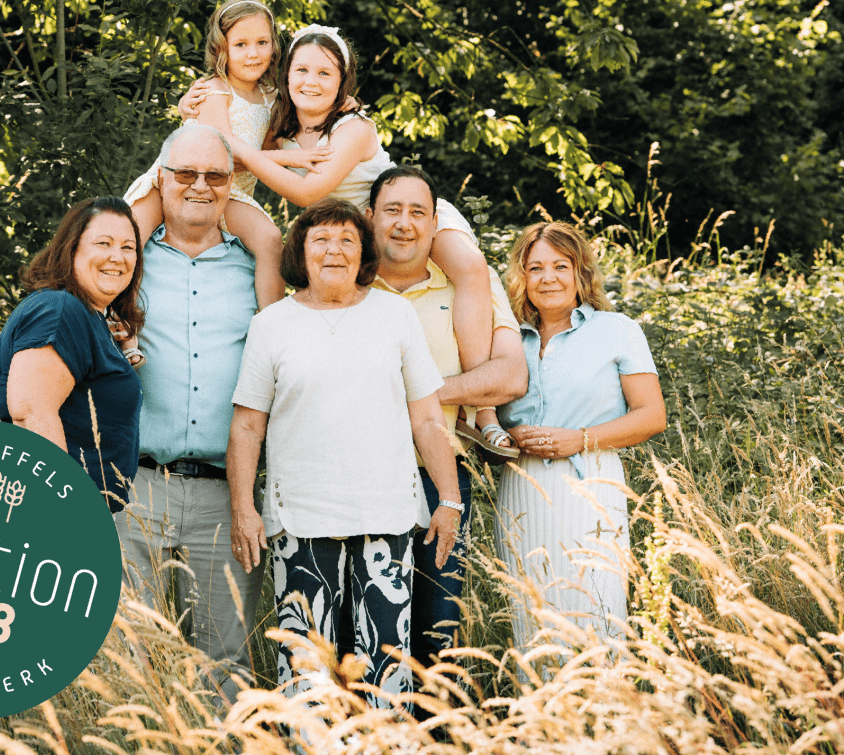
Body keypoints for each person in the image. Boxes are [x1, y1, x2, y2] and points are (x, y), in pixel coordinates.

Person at [185, 23, 512, 452]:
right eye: (302, 70)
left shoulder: (353, 127)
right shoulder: (280, 130)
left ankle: (480, 414)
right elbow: (238, 156)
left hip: (400, 215)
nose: (311, 82)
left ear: (342, 84)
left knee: (469, 266)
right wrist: (195, 110)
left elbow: (305, 190)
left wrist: (240, 150)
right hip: (355, 236)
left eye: (325, 73)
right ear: (286, 75)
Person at [226, 198, 463, 707]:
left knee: (386, 669)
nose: (334, 250)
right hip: (300, 522)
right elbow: (247, 426)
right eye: (321, 239)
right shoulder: (272, 324)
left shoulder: (395, 315)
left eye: (347, 240)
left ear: (364, 252)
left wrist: (449, 497)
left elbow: (426, 417)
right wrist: (243, 509)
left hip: (387, 517)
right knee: (308, 671)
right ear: (301, 252)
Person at [114, 123, 264, 708]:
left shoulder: (257, 265)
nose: (199, 186)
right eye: (184, 173)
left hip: (226, 494)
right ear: (161, 178)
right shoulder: (125, 259)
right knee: (131, 652)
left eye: (215, 175)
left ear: (232, 186)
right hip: (135, 486)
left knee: (225, 661)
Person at [365, 166, 529, 669]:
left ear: (436, 225)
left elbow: (509, 377)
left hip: (443, 482)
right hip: (363, 475)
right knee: (371, 638)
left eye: (417, 212)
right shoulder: (347, 288)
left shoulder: (465, 292)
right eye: (392, 210)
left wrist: (421, 397)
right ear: (369, 217)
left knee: (438, 638)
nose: (404, 223)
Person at [494, 221, 667, 663]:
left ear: (580, 272)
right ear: (522, 278)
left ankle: (606, 720)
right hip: (521, 488)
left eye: (559, 266)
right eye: (535, 268)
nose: (548, 278)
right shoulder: (506, 337)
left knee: (597, 607)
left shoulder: (616, 329)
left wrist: (581, 439)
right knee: (530, 616)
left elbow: (651, 415)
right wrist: (504, 436)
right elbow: (482, 418)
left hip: (591, 480)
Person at [124, 0, 331, 311]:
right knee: (130, 233)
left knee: (270, 239)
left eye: (262, 42)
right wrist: (289, 159)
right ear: (222, 49)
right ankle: (120, 317)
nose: (253, 54)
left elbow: (253, 162)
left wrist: (340, 105)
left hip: (230, 192)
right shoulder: (215, 89)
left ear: (274, 45)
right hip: (175, 182)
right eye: (241, 45)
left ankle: (270, 324)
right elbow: (224, 149)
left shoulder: (272, 97)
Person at [0, 196, 145, 512]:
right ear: (72, 249)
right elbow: (31, 416)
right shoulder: (59, 310)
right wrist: (66, 514)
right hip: (43, 515)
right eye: (104, 243)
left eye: (128, 247)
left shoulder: (87, 316)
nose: (117, 256)